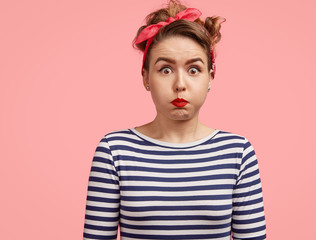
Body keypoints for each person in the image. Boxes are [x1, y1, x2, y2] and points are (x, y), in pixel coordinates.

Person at [83, 0, 266, 239]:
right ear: (146, 77)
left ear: (210, 77)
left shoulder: (238, 152)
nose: (180, 84)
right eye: (165, 70)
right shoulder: (114, 150)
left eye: (193, 70)